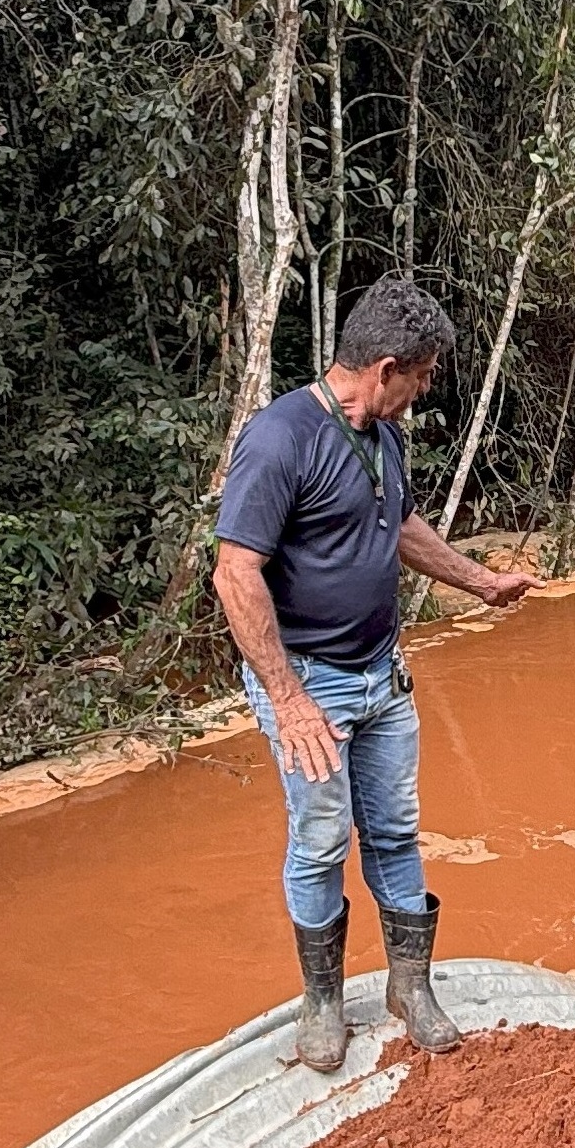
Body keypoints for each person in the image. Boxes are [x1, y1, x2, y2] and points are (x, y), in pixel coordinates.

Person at [213, 276, 539, 1070]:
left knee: (393, 829)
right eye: (423, 375)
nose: (425, 390)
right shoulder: (281, 437)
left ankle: (408, 985)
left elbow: (398, 525)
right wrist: (289, 704)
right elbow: (234, 572)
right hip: (311, 683)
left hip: (381, 673)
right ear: (386, 367)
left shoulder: (382, 437)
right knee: (322, 839)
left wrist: (479, 580)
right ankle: (322, 1002)